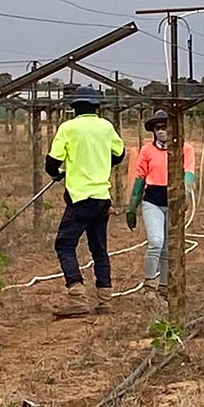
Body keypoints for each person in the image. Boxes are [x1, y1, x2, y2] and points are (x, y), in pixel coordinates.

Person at [46, 87, 126, 316]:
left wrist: (58, 173)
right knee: (99, 249)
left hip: (80, 198)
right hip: (102, 198)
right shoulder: (106, 126)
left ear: (74, 109)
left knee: (64, 244)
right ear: (97, 108)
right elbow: (119, 154)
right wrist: (99, 163)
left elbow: (52, 162)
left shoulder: (68, 128)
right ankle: (105, 299)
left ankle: (76, 296)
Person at [126, 109, 197, 296]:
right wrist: (131, 208)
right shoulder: (147, 150)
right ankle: (150, 283)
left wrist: (186, 195)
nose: (161, 131)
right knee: (156, 242)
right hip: (153, 201)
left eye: (164, 127)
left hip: (174, 202)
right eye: (157, 128)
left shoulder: (186, 149)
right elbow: (140, 178)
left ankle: (164, 286)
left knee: (168, 246)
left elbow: (188, 174)